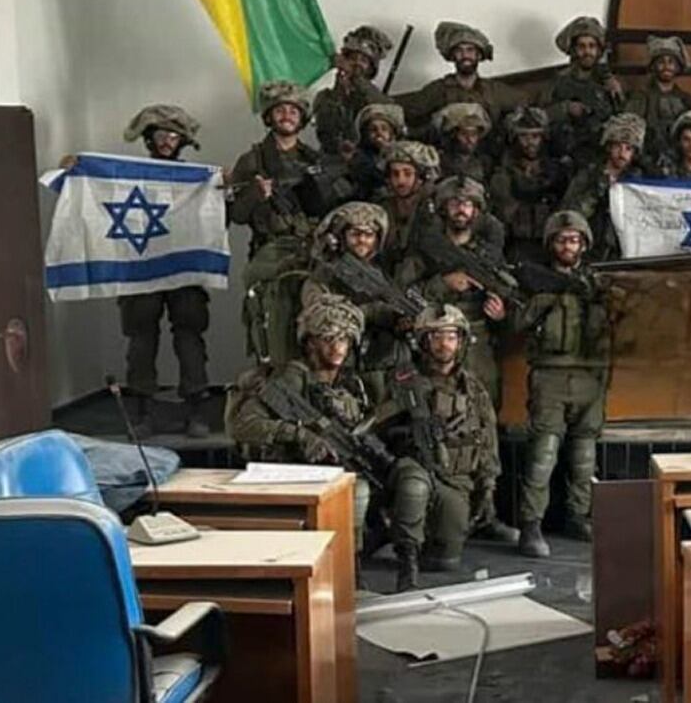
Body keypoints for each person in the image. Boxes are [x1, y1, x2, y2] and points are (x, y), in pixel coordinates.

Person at [226, 293, 377, 556]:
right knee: (358, 493)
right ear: (309, 343)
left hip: (339, 467)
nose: (337, 347)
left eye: (343, 339)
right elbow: (243, 425)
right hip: (292, 471)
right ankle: (345, 566)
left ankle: (350, 563)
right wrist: (299, 435)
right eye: (328, 339)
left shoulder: (351, 382)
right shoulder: (291, 381)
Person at [376, 304, 507, 590]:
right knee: (413, 486)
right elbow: (378, 429)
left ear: (460, 342)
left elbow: (487, 439)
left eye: (450, 337)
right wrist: (407, 433)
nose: (444, 344)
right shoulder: (405, 381)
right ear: (423, 341)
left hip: (456, 478)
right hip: (415, 468)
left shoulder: (473, 389)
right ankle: (406, 563)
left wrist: (488, 488)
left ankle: (403, 537)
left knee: (445, 562)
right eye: (436, 337)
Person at [106, 104, 212, 437]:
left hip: (184, 267)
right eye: (159, 135)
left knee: (190, 337)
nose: (166, 141)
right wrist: (75, 169)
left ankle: (197, 410)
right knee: (140, 341)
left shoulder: (197, 181)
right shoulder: (127, 179)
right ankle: (141, 411)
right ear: (148, 139)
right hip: (142, 267)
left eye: (173, 135)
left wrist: (222, 184)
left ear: (182, 141)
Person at [514, 211, 614, 558]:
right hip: (550, 375)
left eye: (573, 239)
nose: (568, 246)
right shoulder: (537, 283)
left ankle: (578, 515)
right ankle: (530, 524)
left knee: (585, 455)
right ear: (550, 244)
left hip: (592, 374)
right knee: (543, 454)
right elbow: (516, 324)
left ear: (584, 245)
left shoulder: (600, 282)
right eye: (561, 239)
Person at [417, 175, 512, 407]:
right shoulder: (427, 250)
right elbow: (404, 294)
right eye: (454, 203)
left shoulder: (489, 257)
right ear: (443, 209)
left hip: (478, 343)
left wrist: (501, 315)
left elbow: (510, 303)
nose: (461, 209)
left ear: (477, 211)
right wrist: (443, 283)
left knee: (484, 408)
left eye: (468, 204)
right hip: (436, 342)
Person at [300, 201, 409, 402]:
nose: (362, 241)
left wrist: (400, 321)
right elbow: (321, 314)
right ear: (342, 238)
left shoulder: (384, 272)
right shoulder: (325, 274)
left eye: (368, 235)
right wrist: (374, 311)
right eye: (355, 234)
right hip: (337, 356)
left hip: (379, 356)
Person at [228, 81, 327, 259]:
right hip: (269, 253)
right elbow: (237, 216)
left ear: (302, 118)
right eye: (280, 111)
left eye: (293, 112)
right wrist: (254, 195)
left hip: (310, 252)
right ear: (269, 117)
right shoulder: (252, 161)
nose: (287, 116)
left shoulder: (315, 160)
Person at [395, 22, 513, 135]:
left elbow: (522, 110)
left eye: (470, 50)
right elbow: (407, 117)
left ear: (479, 55)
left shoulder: (495, 91)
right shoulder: (436, 90)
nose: (465, 55)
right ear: (452, 56)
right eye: (459, 50)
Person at [489, 106, 570, 264]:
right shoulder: (503, 172)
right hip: (518, 243)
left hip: (553, 242)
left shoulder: (556, 170)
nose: (530, 142)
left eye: (535, 136)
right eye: (524, 136)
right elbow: (505, 212)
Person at [561, 113, 646, 260]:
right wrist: (598, 189)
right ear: (608, 147)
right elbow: (571, 215)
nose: (622, 153)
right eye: (617, 146)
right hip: (591, 248)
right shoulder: (589, 175)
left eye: (628, 148)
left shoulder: (638, 181)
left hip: (624, 251)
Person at [542, 16, 623, 166]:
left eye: (592, 46)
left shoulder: (607, 80)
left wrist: (618, 93)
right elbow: (541, 116)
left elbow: (622, 118)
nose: (587, 52)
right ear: (574, 50)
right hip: (566, 154)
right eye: (582, 46)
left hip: (600, 152)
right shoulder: (560, 81)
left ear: (599, 50)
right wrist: (565, 108)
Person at [624, 35, 691, 166]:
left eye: (671, 62)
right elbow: (627, 133)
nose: (666, 66)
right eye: (661, 62)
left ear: (678, 67)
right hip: (646, 163)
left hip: (680, 165)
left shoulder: (688, 100)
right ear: (653, 66)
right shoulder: (640, 98)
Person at [313, 25, 393, 156]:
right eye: (352, 58)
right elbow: (326, 130)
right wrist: (338, 94)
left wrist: (356, 77)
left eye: (363, 60)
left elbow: (381, 106)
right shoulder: (325, 96)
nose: (357, 63)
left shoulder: (377, 97)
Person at [375, 140, 442, 280]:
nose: (401, 180)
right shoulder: (382, 207)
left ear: (420, 177)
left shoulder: (435, 207)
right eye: (395, 174)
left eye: (407, 173)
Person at [346, 102, 406, 201]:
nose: (379, 133)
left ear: (392, 134)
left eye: (384, 129)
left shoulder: (404, 152)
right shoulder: (362, 158)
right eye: (373, 130)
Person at [432, 102, 494, 183]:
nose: (470, 139)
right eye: (464, 134)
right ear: (452, 136)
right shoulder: (437, 162)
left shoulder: (485, 163)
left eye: (474, 134)